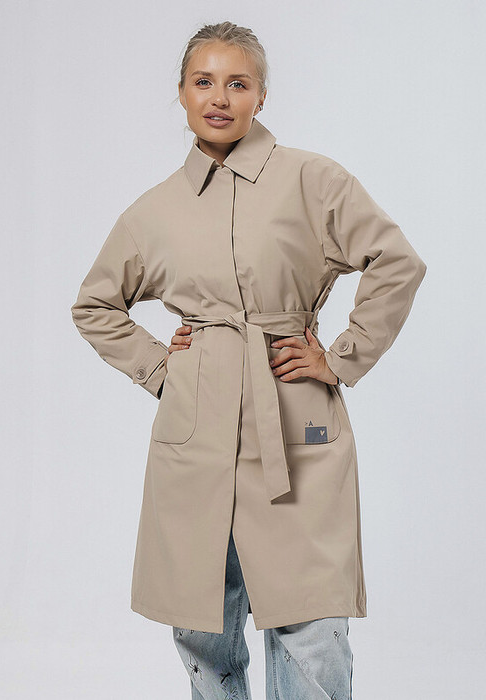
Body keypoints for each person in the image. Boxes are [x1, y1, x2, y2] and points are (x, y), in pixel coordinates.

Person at [71, 21, 426, 700]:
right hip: (195, 424)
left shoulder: (313, 180)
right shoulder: (155, 211)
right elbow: (94, 305)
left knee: (309, 616)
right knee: (201, 619)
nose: (219, 97)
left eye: (237, 83)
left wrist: (341, 357)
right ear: (181, 93)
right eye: (203, 81)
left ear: (261, 96)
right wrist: (160, 369)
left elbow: (396, 262)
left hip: (293, 416)